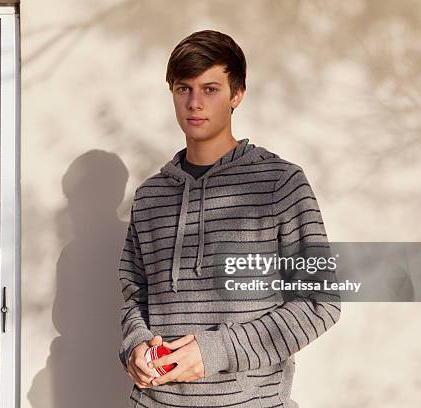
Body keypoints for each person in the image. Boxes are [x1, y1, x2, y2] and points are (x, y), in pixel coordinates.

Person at [118, 29, 341, 408]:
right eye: (183, 89)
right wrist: (135, 346)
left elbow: (321, 301)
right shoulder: (149, 197)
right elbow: (133, 294)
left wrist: (217, 350)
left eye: (210, 89)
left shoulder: (280, 183)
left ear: (237, 94)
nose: (194, 103)